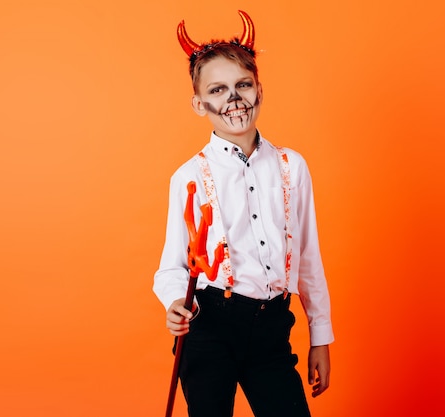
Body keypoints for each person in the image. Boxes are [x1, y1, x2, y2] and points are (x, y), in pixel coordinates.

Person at [153, 10, 334, 417]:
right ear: (199, 104)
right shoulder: (188, 176)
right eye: (217, 90)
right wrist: (174, 305)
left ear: (259, 91)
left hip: (272, 327)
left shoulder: (292, 167)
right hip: (209, 327)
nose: (233, 99)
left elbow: (308, 260)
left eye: (243, 85)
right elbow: (170, 269)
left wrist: (320, 337)